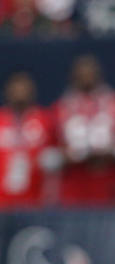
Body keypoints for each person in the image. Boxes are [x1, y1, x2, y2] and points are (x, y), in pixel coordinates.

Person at [50, 55, 115, 207]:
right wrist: (66, 156)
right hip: (73, 190)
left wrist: (114, 150)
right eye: (82, 75)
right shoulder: (60, 109)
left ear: (99, 75)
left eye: (90, 74)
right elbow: (46, 156)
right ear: (73, 77)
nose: (86, 79)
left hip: (110, 188)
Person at [0, 71, 53, 209]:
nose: (20, 94)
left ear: (32, 92)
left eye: (24, 89)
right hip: (2, 200)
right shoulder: (1, 120)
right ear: (7, 92)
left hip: (34, 201)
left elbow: (56, 154)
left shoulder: (45, 120)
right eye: (16, 90)